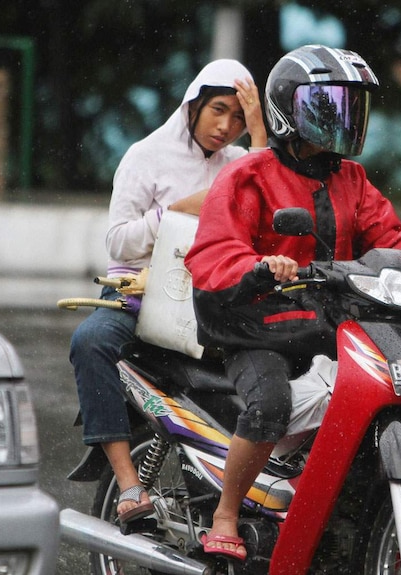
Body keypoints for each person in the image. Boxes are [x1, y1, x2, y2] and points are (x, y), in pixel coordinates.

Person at [184, 44, 401, 561]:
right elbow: (215, 250)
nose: (343, 121)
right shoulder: (247, 176)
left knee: (393, 383)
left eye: (351, 108)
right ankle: (226, 514)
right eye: (328, 108)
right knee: (271, 404)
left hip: (324, 319)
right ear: (286, 113)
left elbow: (391, 239)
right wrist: (259, 267)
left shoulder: (351, 180)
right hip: (255, 321)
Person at [69, 58, 267, 528]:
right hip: (141, 296)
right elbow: (117, 241)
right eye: (219, 110)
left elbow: (266, 188)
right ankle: (130, 485)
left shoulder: (238, 164)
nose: (226, 127)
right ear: (193, 104)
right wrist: (174, 215)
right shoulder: (145, 155)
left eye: (239, 119)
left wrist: (259, 129)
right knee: (90, 341)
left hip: (207, 304)